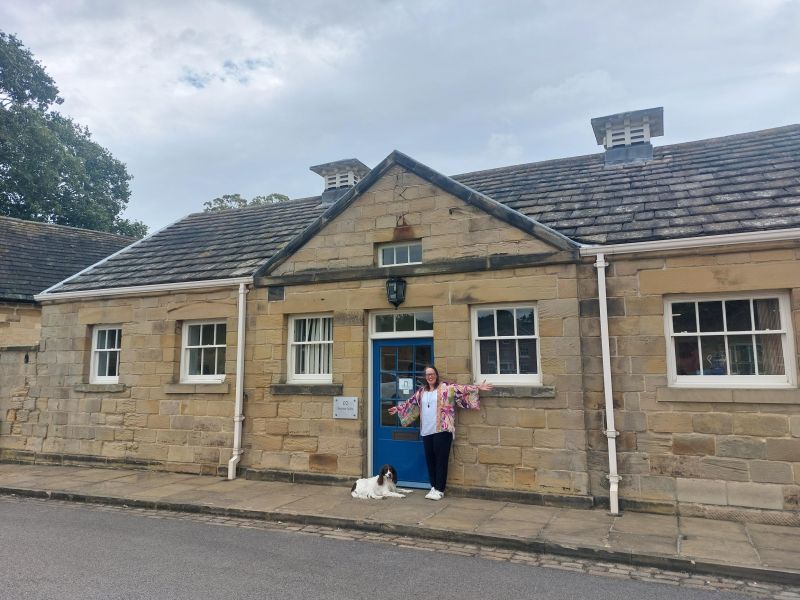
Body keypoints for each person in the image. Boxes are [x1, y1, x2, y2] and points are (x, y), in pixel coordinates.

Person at [388, 365, 492, 500]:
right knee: (430, 460)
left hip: (442, 430)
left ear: (436, 375)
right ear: (425, 377)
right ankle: (433, 487)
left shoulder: (446, 388)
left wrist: (477, 387)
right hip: (426, 431)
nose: (430, 376)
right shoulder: (422, 392)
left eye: (432, 374)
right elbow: (410, 403)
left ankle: (440, 489)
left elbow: (462, 389)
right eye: (427, 375)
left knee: (441, 461)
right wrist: (398, 408)